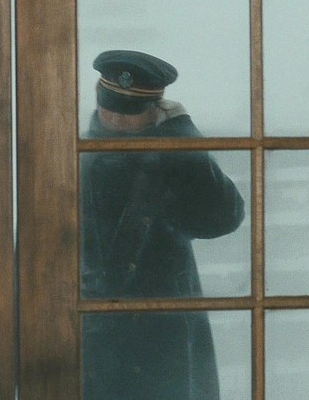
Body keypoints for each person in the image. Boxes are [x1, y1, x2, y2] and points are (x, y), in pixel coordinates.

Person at [80, 50, 245, 399]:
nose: (117, 119)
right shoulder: (68, 160)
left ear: (154, 110)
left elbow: (223, 217)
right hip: (84, 343)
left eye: (130, 111)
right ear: (98, 96)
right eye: (110, 106)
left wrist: (183, 137)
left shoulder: (172, 160)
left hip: (160, 345)